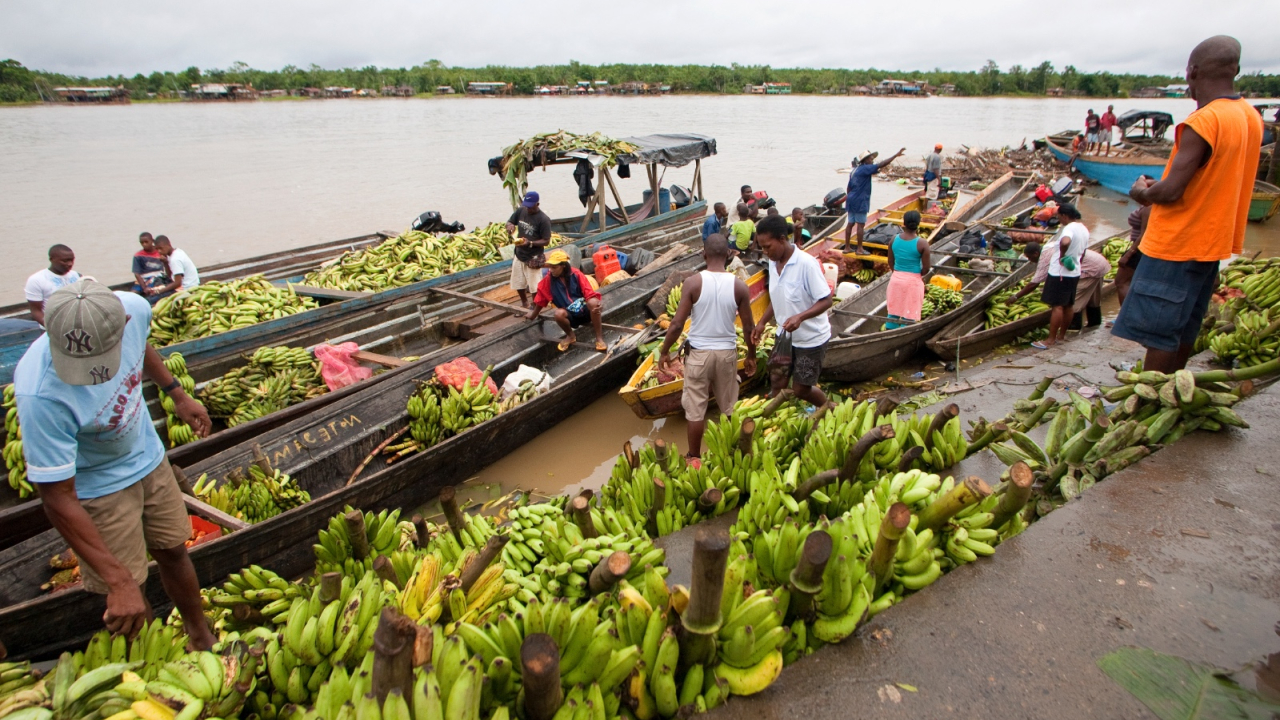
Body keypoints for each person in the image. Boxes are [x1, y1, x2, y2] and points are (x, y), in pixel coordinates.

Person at [14, 279, 215, 649]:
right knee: (129, 588)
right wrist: (118, 583)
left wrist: (176, 393)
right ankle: (160, 659)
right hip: (98, 487)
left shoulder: (133, 309)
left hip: (148, 459)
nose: (94, 373)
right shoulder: (40, 392)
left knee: (173, 549)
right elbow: (57, 497)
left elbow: (142, 347)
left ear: (122, 323)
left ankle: (200, 635)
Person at [1113, 35, 1263, 373]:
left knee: (1160, 334)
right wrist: (1162, 185)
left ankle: (1150, 403)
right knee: (1182, 330)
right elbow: (1207, 178)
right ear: (1234, 70)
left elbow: (1170, 193)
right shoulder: (1249, 116)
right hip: (1213, 244)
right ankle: (1172, 392)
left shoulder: (1203, 121)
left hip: (1178, 244)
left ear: (1191, 72)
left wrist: (1142, 191)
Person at [658, 234, 756, 463]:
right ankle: (734, 450)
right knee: (728, 406)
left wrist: (664, 351)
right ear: (729, 255)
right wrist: (751, 355)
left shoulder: (693, 282)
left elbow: (676, 324)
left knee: (695, 409)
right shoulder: (739, 286)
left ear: (704, 254)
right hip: (726, 354)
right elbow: (749, 326)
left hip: (699, 354)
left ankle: (694, 456)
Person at [751, 216, 832, 409]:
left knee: (801, 389)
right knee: (777, 381)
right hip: (784, 336)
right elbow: (778, 296)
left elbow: (826, 300)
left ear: (781, 239)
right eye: (761, 247)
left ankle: (829, 409)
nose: (765, 252)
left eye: (767, 247)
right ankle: (777, 418)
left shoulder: (807, 264)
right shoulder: (773, 262)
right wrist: (762, 322)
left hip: (810, 339)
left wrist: (800, 317)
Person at [1031, 204, 1089, 349]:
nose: (1059, 220)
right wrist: (1076, 262)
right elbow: (1083, 252)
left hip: (1060, 272)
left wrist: (1062, 255)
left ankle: (1050, 340)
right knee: (1068, 305)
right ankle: (1061, 336)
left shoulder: (1069, 228)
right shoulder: (1084, 229)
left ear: (1064, 215)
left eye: (1058, 217)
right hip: (1074, 271)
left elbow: (1065, 241)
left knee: (1057, 306)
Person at [525, 249, 605, 352]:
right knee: (558, 314)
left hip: (585, 311)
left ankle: (599, 338)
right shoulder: (548, 280)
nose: (551, 270)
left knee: (593, 302)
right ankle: (570, 336)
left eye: (554, 267)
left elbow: (589, 293)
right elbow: (541, 300)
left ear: (563, 266)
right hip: (570, 314)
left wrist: (597, 305)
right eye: (550, 267)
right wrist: (533, 315)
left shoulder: (576, 274)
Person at [843, 148, 906, 255]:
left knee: (850, 223)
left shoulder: (855, 170)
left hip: (851, 199)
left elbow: (848, 188)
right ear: (865, 160)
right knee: (860, 225)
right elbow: (881, 164)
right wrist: (895, 155)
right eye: (871, 158)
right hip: (860, 200)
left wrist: (850, 197)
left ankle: (847, 248)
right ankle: (859, 249)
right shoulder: (865, 169)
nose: (872, 160)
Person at [884, 211, 932, 329]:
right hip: (913, 282)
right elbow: (926, 268)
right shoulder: (922, 243)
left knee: (893, 313)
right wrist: (917, 276)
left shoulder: (894, 239)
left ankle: (889, 334)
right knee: (909, 315)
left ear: (904, 223)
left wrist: (897, 274)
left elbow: (890, 261)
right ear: (918, 223)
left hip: (895, 280)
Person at [506, 191, 553, 308]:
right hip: (519, 253)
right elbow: (510, 221)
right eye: (526, 205)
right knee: (518, 281)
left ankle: (535, 305)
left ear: (537, 204)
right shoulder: (521, 210)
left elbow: (546, 240)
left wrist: (530, 243)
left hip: (533, 256)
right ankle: (524, 303)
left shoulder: (543, 219)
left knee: (534, 284)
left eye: (531, 206)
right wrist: (510, 225)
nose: (528, 209)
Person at [25, 244, 80, 326]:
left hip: (78, 326)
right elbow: (36, 311)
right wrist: (53, 329)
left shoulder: (77, 276)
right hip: (52, 329)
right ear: (51, 259)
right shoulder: (37, 280)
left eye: (72, 260)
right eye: (65, 261)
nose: (69, 264)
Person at [1113, 201, 1151, 306]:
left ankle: (1124, 316)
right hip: (1138, 248)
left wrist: (1129, 254)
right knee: (1131, 283)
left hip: (1139, 249)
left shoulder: (1149, 207)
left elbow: (1144, 233)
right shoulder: (1146, 206)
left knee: (1121, 282)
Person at [1068, 248, 1110, 330]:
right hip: (1099, 264)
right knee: (1093, 299)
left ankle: (1074, 329)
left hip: (1091, 268)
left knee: (1074, 300)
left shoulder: (1048, 255)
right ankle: (1094, 325)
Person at [131, 232, 170, 303]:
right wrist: (144, 287)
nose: (144, 244)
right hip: (143, 280)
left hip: (157, 278)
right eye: (142, 243)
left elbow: (168, 266)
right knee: (133, 294)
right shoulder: (138, 256)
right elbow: (137, 274)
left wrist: (165, 261)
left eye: (146, 242)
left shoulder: (160, 251)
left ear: (152, 241)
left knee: (156, 291)